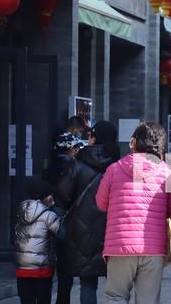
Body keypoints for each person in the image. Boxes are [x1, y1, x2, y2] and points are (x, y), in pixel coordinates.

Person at [96, 122, 171, 304]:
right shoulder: (167, 172)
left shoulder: (114, 169)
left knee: (116, 297)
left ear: (134, 142)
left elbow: (101, 204)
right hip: (153, 248)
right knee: (148, 300)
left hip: (120, 245)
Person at [55, 121, 121, 304]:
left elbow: (63, 194)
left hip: (82, 231)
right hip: (112, 230)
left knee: (88, 282)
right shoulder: (118, 165)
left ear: (94, 137)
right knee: (117, 285)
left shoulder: (79, 163)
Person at [14, 178, 62, 304]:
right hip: (42, 268)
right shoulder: (48, 215)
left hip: (22, 267)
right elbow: (62, 233)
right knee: (43, 299)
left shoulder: (21, 213)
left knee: (26, 300)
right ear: (44, 197)